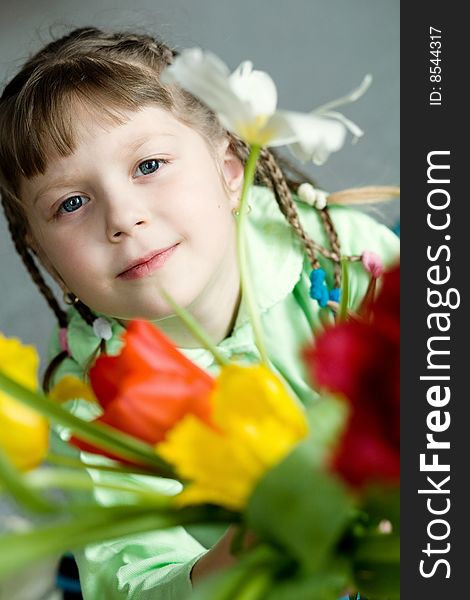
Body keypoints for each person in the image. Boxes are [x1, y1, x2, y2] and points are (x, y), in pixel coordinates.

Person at [0, 27, 398, 600]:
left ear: (230, 172)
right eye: (71, 203)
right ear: (49, 262)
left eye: (149, 165)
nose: (122, 216)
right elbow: (132, 585)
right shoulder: (88, 404)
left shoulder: (338, 255)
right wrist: (256, 544)